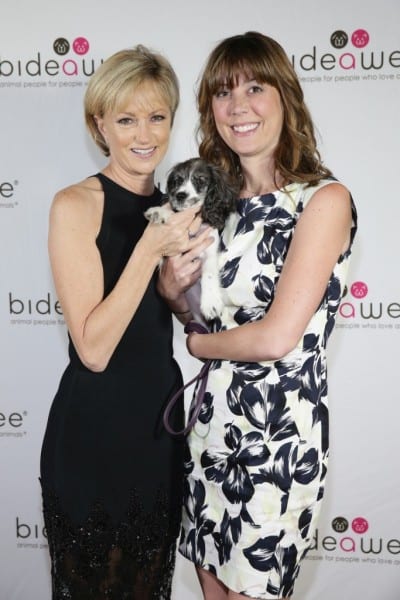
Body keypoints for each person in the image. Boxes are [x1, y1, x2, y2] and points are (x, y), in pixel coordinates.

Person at [158, 32, 357, 599]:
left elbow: (276, 336)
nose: (237, 106)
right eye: (223, 92)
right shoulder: (211, 205)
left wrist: (197, 347)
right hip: (210, 429)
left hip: (279, 437)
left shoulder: (323, 200)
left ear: (285, 97)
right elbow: (198, 311)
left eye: (254, 87)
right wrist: (172, 292)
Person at [40, 44, 211, 599]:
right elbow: (92, 349)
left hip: (156, 432)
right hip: (92, 433)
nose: (145, 133)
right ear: (100, 125)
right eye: (126, 118)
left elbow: (190, 323)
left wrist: (182, 296)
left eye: (157, 117)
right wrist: (148, 249)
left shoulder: (180, 206)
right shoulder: (76, 205)